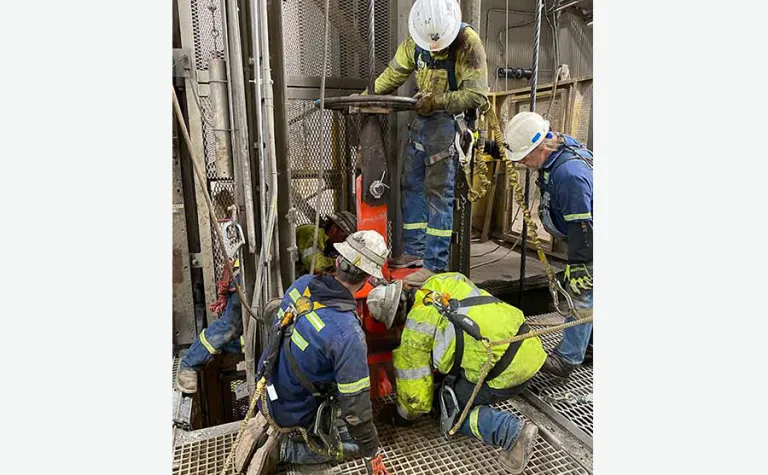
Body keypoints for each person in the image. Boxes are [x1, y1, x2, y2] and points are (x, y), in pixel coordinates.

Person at [366, 273, 547, 474]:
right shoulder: (442, 282)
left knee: (448, 412)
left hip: (507, 372)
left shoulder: (414, 334)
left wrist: (399, 417)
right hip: (531, 347)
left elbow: (416, 402)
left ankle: (510, 432)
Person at [248, 230, 392, 475]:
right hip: (293, 416)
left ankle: (288, 440)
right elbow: (356, 408)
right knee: (352, 433)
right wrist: (371, 452)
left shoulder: (302, 285)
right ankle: (293, 452)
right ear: (368, 278)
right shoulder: (348, 334)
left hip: (268, 391)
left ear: (337, 261)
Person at [367, 0, 489, 287]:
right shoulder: (417, 38)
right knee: (410, 184)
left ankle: (434, 265)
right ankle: (415, 251)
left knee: (438, 196)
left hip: (448, 124)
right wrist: (367, 96)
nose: (434, 48)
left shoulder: (467, 42)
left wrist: (438, 101)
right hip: (422, 122)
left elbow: (478, 96)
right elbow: (394, 73)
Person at [502, 111, 593, 378]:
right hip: (584, 232)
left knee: (581, 294)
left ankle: (568, 358)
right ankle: (589, 344)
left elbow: (582, 227)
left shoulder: (569, 175)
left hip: (588, 236)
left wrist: (579, 267)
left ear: (539, 148)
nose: (523, 164)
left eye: (523, 158)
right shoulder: (556, 147)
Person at [296, 211, 357, 275]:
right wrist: (342, 264)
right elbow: (316, 265)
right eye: (345, 236)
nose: (344, 241)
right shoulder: (312, 232)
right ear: (334, 228)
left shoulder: (328, 244)